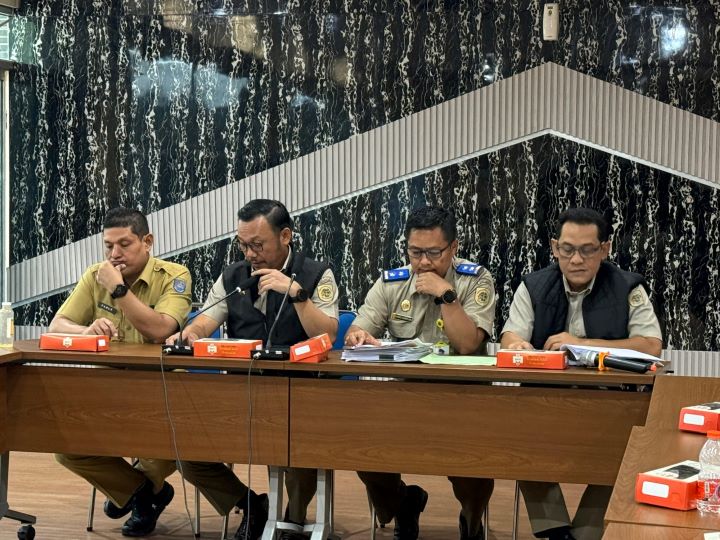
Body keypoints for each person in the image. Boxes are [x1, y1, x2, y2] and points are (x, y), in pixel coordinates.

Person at [167, 198, 339, 540]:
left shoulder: (316, 273)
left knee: (298, 450)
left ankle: (293, 518)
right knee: (187, 453)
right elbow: (207, 319)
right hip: (240, 392)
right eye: (243, 245)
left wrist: (296, 295)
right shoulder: (233, 275)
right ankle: (249, 503)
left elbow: (329, 333)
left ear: (286, 236)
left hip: (298, 392)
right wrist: (189, 333)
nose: (250, 254)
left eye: (257, 245)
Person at [500, 207, 663, 540]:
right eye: (567, 249)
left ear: (605, 248)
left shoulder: (628, 287)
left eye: (588, 250)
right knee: (519, 436)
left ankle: (585, 534)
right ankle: (555, 530)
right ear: (554, 246)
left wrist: (582, 344)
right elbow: (511, 336)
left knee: (625, 448)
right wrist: (518, 345)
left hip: (610, 403)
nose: (576, 259)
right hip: (544, 401)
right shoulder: (533, 286)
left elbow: (650, 345)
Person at [344, 206, 496, 540]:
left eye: (433, 253)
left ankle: (471, 523)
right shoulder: (391, 283)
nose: (423, 263)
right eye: (415, 253)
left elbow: (469, 344)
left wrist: (446, 294)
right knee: (366, 457)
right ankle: (405, 502)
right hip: (404, 399)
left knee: (474, 472)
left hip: (465, 401)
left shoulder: (475, 280)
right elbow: (359, 327)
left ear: (453, 248)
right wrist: (357, 335)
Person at [49, 207, 192, 537]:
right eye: (108, 246)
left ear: (147, 241)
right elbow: (58, 325)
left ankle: (134, 493)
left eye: (124, 244)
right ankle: (141, 494)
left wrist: (118, 290)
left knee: (165, 451)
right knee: (66, 445)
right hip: (107, 389)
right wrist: (85, 332)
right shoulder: (95, 274)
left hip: (163, 390)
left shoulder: (175, 275)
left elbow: (160, 329)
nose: (114, 254)